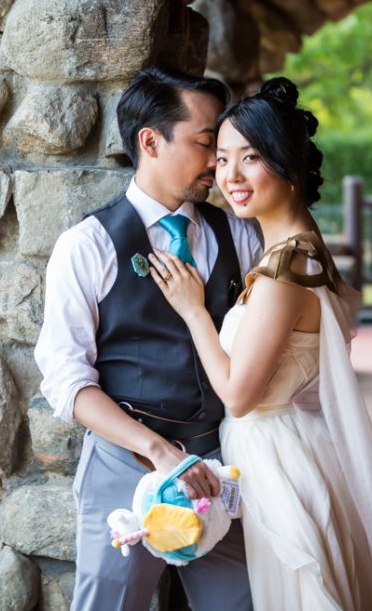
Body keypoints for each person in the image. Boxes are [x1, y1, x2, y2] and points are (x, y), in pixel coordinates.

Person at [148, 77, 372, 611]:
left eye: (250, 158)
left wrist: (193, 313)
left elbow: (238, 396)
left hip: (275, 460)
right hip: (292, 447)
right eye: (223, 157)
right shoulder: (303, 249)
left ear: (288, 166)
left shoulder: (283, 271)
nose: (229, 176)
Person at [35, 67, 262, 610]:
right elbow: (65, 381)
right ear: (150, 141)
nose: (217, 163)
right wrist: (159, 451)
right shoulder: (85, 245)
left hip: (219, 466)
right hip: (124, 463)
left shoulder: (241, 235)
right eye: (207, 144)